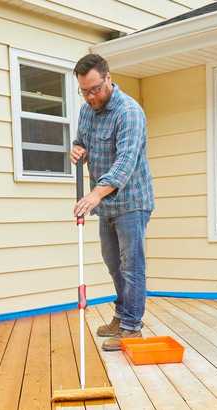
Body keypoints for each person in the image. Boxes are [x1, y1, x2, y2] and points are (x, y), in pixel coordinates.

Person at [71, 53, 154, 351]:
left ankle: (132, 328)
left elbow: (126, 162)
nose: (91, 96)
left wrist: (94, 194)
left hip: (132, 201)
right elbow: (80, 140)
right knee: (113, 262)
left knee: (131, 265)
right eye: (85, 91)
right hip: (106, 204)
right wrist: (77, 149)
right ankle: (122, 315)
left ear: (108, 78)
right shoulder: (86, 111)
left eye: (95, 89)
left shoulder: (129, 112)